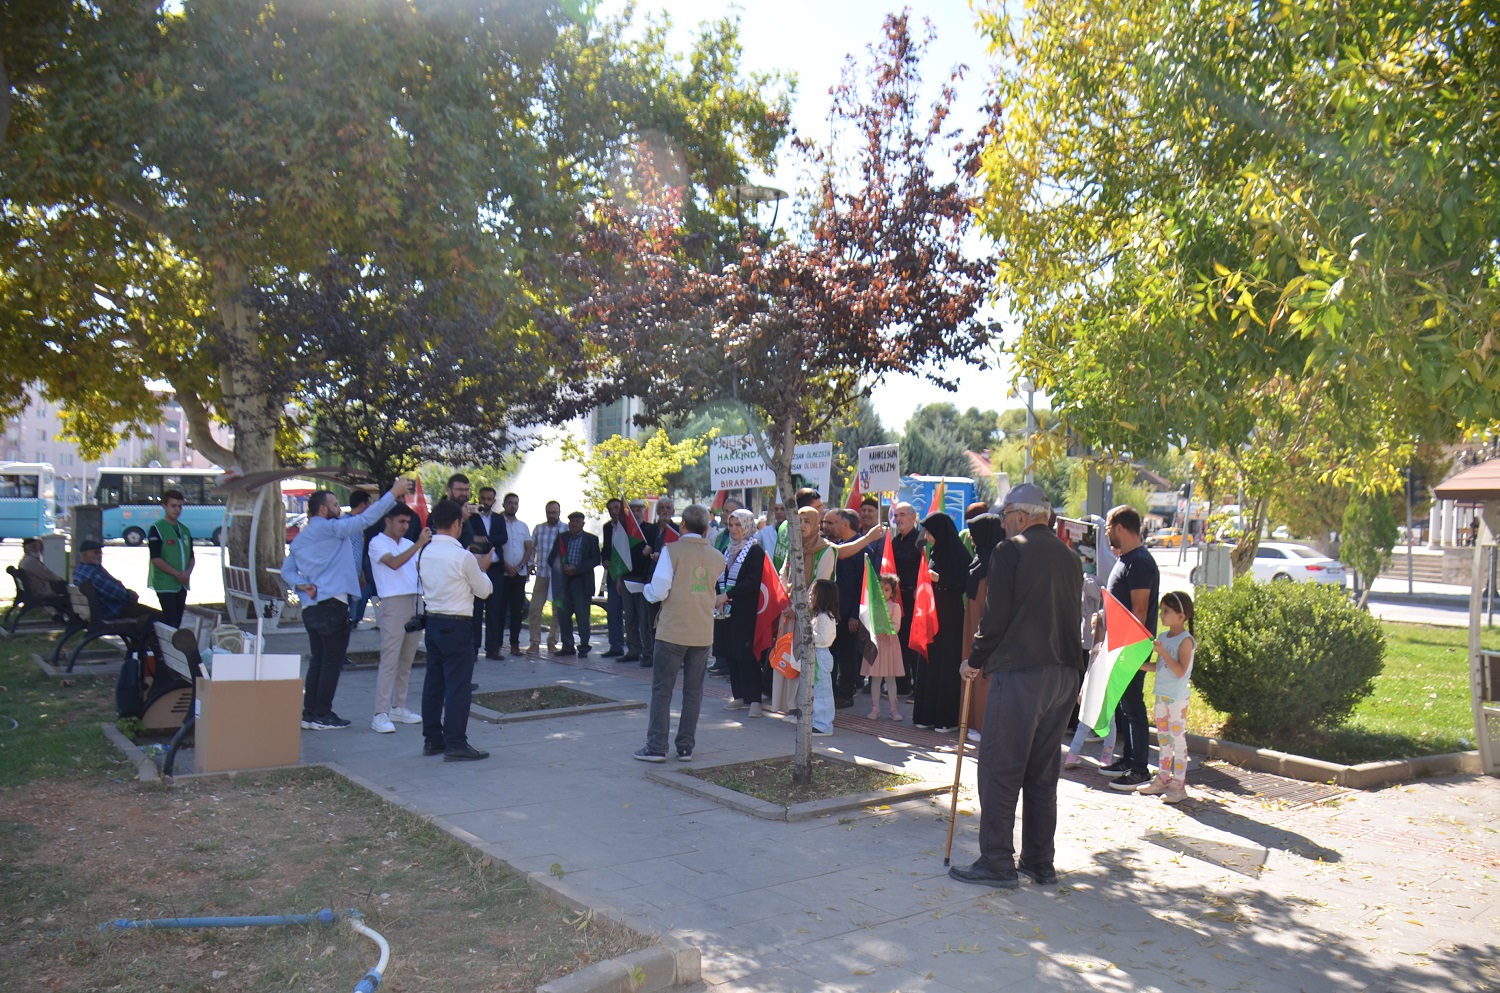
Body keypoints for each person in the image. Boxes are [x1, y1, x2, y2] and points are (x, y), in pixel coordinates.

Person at [949, 483, 1083, 890]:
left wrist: (974, 661)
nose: (1004, 523)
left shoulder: (1011, 550)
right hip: (1064, 673)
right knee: (1042, 774)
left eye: (1006, 515)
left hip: (1024, 673)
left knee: (999, 769)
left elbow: (995, 618)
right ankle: (1040, 861)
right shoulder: (1070, 556)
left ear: (1022, 517)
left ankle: (996, 861)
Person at [282, 479, 406, 730]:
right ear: (324, 509)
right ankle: (322, 714)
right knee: (331, 662)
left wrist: (302, 584)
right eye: (336, 504)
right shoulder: (331, 528)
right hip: (332, 604)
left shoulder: (301, 538)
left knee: (318, 660)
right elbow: (364, 519)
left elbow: (287, 570)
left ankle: (310, 713)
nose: (341, 508)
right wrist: (393, 493)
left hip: (312, 607)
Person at [633, 503, 722, 762]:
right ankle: (685, 747)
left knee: (662, 689)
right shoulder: (718, 557)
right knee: (694, 692)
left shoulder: (671, 551)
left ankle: (657, 746)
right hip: (702, 631)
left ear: (682, 524)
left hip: (672, 630)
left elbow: (660, 590)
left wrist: (646, 591)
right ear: (706, 529)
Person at [419, 499, 495, 761]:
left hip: (433, 620)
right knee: (458, 687)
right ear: (456, 524)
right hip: (457, 623)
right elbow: (484, 590)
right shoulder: (462, 556)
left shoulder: (425, 551)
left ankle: (433, 739)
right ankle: (455, 743)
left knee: (434, 683)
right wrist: (482, 568)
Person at [1098, 504, 1160, 792]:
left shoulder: (1140, 563)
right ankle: (1128, 759)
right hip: (1120, 643)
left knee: (1134, 706)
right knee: (1125, 706)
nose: (1108, 534)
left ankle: (1139, 769)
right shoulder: (1127, 559)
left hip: (1132, 645)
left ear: (1121, 528)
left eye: (1109, 528)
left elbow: (1140, 607)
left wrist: (1127, 646)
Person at [369, 504, 430, 733]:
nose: (405, 526)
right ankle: (380, 713)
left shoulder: (407, 544)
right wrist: (418, 545)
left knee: (407, 659)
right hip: (393, 602)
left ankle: (399, 706)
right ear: (388, 520)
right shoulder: (377, 542)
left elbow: (418, 571)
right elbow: (394, 563)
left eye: (408, 522)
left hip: (415, 600)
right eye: (401, 522)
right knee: (390, 659)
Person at [1135, 591, 1195, 803]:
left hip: (1177, 699)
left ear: (1182, 615)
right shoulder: (1163, 638)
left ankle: (1178, 785)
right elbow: (1159, 668)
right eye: (1162, 611)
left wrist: (1163, 653)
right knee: (1163, 739)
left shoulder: (1186, 641)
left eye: (1167, 611)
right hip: (1161, 696)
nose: (1162, 615)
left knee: (1178, 740)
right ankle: (1162, 779)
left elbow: (1179, 671)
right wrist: (1137, 665)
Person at [912, 511, 968, 732]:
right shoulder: (934, 550)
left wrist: (940, 579)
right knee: (930, 663)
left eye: (929, 531)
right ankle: (926, 714)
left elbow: (964, 583)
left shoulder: (958, 553)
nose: (926, 536)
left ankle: (946, 717)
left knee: (945, 664)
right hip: (931, 614)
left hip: (950, 616)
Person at [715, 509, 766, 712]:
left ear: (748, 526)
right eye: (731, 525)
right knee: (731, 652)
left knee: (746, 654)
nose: (734, 529)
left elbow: (752, 582)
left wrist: (726, 595)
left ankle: (754, 699)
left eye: (738, 525)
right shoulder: (727, 550)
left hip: (746, 611)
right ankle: (739, 695)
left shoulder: (755, 551)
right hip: (726, 610)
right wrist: (719, 596)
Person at [961, 513, 1006, 738]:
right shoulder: (980, 558)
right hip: (972, 623)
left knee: (982, 671)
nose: (970, 536)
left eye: (975, 531)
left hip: (983, 625)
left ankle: (982, 723)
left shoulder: (994, 562)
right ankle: (970, 720)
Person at [823, 508, 868, 708]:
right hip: (834, 611)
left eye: (834, 523)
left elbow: (862, 584)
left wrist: (854, 615)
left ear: (846, 524)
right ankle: (831, 691)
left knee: (848, 655)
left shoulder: (862, 549)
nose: (829, 527)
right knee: (832, 653)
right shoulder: (839, 546)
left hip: (849, 613)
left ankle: (846, 693)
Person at [72, 540, 162, 635]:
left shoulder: (79, 570)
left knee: (146, 616)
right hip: (112, 610)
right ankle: (160, 645)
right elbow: (117, 593)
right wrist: (130, 594)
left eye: (100, 552)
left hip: (100, 609)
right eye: (96, 552)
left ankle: (141, 643)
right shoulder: (93, 573)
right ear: (85, 555)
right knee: (159, 616)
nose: (100, 555)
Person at [464, 486, 508, 659]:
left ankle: (492, 648)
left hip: (496, 568)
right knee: (475, 610)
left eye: (489, 499)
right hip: (476, 566)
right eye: (483, 498)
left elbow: (503, 537)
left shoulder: (499, 519)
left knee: (494, 610)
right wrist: (479, 539)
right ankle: (473, 649)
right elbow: (470, 537)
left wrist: (487, 539)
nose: (485, 502)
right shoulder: (472, 517)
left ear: (494, 501)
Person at [550, 511, 601, 657]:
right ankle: (567, 646)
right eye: (571, 521)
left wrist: (577, 568)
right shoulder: (562, 538)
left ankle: (584, 647)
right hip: (564, 582)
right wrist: (562, 567)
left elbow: (595, 560)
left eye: (577, 521)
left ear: (583, 524)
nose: (574, 523)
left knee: (582, 617)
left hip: (582, 582)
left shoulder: (591, 539)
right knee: (564, 617)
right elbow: (552, 557)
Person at [617, 499, 661, 668]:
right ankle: (633, 649)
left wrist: (648, 553)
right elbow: (620, 558)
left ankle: (648, 652)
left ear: (644, 511)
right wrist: (619, 579)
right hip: (628, 578)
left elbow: (655, 554)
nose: (636, 513)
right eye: (633, 510)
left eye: (639, 510)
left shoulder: (651, 529)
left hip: (644, 580)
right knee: (630, 617)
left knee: (645, 619)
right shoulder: (625, 531)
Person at [888, 502, 923, 698]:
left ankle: (918, 686)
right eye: (896, 515)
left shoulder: (921, 541)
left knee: (913, 643)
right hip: (897, 598)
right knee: (899, 641)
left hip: (915, 598)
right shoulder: (895, 541)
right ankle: (903, 685)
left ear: (912, 517)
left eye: (902, 515)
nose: (898, 518)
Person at [146, 488, 194, 627]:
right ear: (164, 506)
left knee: (177, 620)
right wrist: (177, 573)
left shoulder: (184, 530)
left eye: (180, 506)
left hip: (182, 583)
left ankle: (172, 648)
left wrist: (187, 573)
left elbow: (191, 556)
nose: (177, 510)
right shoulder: (157, 528)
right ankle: (165, 647)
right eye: (173, 506)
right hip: (165, 583)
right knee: (170, 620)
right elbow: (155, 558)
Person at [496, 492, 533, 656]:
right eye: (510, 503)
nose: (513, 506)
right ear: (503, 504)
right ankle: (496, 645)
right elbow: (495, 547)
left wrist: (520, 566)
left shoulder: (523, 526)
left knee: (517, 611)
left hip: (519, 574)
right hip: (501, 573)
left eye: (515, 503)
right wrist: (506, 566)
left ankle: (515, 645)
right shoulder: (497, 523)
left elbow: (529, 547)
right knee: (499, 610)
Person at [863, 574, 904, 721]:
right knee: (875, 678)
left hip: (889, 645)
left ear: (892, 592)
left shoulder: (895, 606)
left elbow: (897, 626)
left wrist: (888, 630)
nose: (883, 592)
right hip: (875, 645)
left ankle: (893, 709)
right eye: (880, 588)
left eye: (886, 589)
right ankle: (875, 708)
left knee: (890, 678)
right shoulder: (872, 606)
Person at [527, 501, 564, 657]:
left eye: (554, 512)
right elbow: (532, 548)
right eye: (549, 512)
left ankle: (552, 641)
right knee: (535, 609)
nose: (551, 515)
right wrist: (530, 564)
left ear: (559, 512)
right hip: (542, 574)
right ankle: (534, 642)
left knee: (557, 611)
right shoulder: (539, 528)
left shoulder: (565, 529)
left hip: (558, 576)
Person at [808, 578, 839, 736]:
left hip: (821, 654)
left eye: (813, 593)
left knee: (823, 691)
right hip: (816, 654)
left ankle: (824, 724)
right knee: (816, 689)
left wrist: (809, 636)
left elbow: (825, 639)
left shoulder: (825, 617)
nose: (810, 596)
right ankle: (817, 720)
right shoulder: (819, 616)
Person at [345, 490, 377, 627]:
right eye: (368, 503)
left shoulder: (358, 525)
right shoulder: (345, 524)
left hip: (357, 571)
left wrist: (361, 572)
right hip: (346, 572)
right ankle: (350, 619)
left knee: (363, 593)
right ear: (362, 504)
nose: (369, 506)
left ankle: (353, 619)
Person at [600, 498, 627, 657]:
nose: (613, 511)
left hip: (629, 576)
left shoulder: (629, 527)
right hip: (613, 575)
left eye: (616, 508)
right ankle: (616, 646)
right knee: (613, 612)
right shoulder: (607, 527)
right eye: (610, 509)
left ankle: (636, 646)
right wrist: (605, 560)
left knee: (631, 614)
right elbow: (606, 548)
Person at [17, 538, 67, 614]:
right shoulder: (30, 561)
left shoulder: (26, 560)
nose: (36, 549)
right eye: (32, 547)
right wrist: (60, 579)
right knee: (65, 587)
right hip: (39, 591)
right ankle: (68, 616)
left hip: (33, 589)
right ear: (26, 550)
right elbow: (48, 575)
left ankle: (58, 614)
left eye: (37, 546)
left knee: (62, 586)